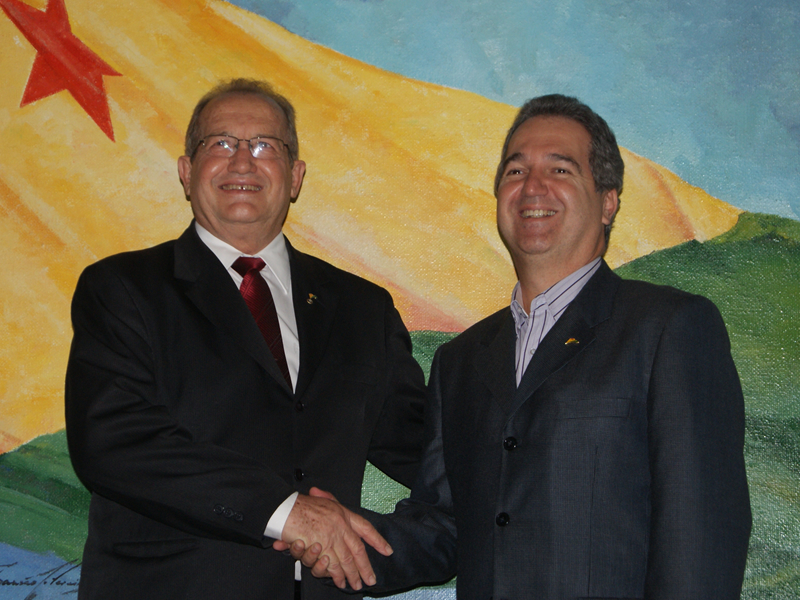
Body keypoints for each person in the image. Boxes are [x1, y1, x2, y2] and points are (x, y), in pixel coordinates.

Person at [292, 94, 752, 599]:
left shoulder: (669, 328)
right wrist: (343, 540)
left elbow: (699, 538)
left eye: (560, 169)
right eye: (515, 171)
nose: (533, 186)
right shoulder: (460, 361)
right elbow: (445, 526)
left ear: (608, 201)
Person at [64, 78, 426, 600]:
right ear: (186, 172)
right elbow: (114, 441)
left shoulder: (363, 308)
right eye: (220, 143)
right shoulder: (122, 289)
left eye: (264, 146)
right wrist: (285, 512)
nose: (241, 162)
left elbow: (427, 449)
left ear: (295, 176)